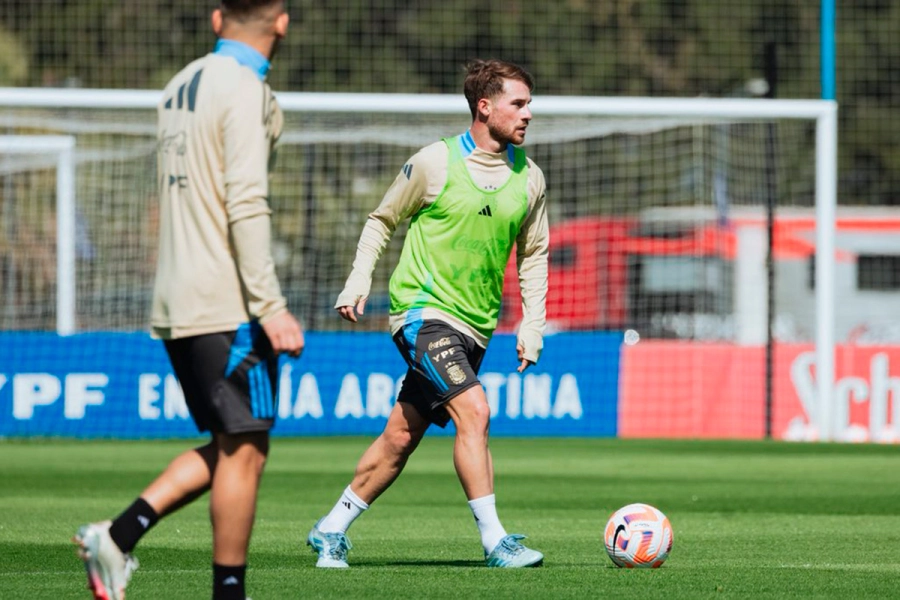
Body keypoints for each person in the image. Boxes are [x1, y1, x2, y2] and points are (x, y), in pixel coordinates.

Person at [73, 2, 303, 599]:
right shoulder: (246, 89)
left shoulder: (180, 83)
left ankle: (118, 537)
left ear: (218, 18)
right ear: (281, 22)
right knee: (246, 451)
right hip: (228, 303)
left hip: (178, 296)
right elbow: (245, 201)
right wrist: (270, 305)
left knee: (232, 445)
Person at [307, 58, 549, 569]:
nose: (529, 113)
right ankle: (495, 541)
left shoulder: (529, 178)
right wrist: (358, 280)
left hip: (477, 325)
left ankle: (330, 528)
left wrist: (532, 323)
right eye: (519, 103)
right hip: (422, 313)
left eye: (529, 104)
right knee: (475, 411)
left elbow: (533, 254)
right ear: (485, 107)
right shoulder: (434, 163)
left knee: (400, 437)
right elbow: (382, 220)